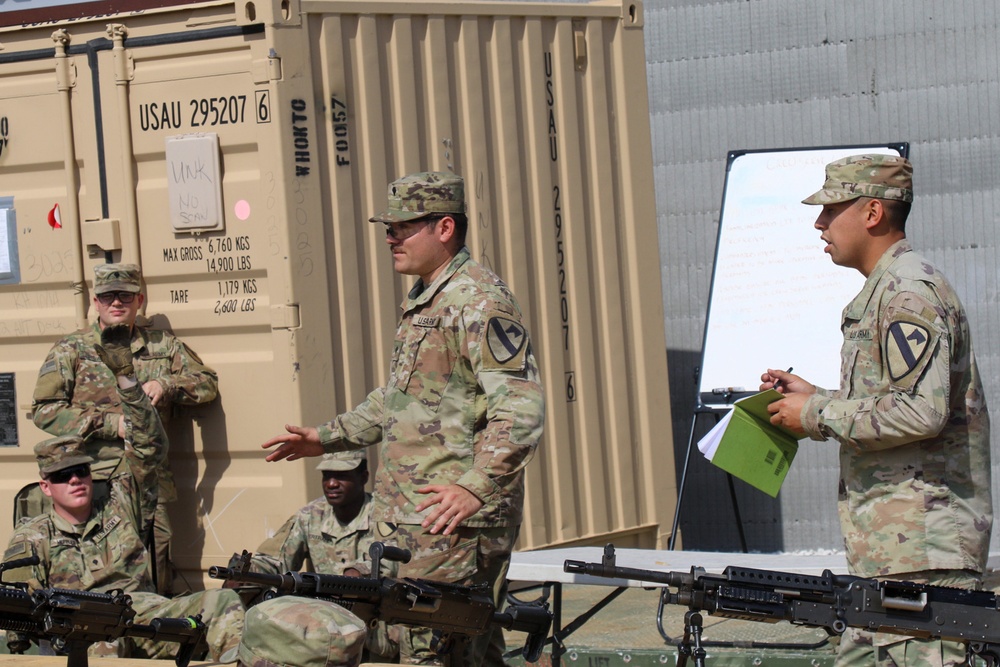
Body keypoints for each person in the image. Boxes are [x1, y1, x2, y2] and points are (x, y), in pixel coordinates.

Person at [260, 171, 546, 665]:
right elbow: (399, 401)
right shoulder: (425, 300)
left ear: (445, 228)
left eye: (403, 226)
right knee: (465, 652)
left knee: (432, 651)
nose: (390, 236)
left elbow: (521, 408)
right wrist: (326, 438)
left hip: (455, 522)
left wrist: (475, 486)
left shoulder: (479, 302)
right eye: (388, 227)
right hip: (415, 520)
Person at [760, 154, 992, 666]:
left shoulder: (909, 292)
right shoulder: (886, 290)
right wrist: (815, 395)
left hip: (924, 559)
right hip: (891, 557)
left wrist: (817, 414)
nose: (819, 223)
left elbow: (922, 412)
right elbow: (900, 400)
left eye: (831, 209)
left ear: (871, 213)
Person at [4, 324, 243, 662]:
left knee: (223, 603)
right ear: (46, 486)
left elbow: (149, 447)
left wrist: (128, 381)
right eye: (63, 476)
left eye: (81, 471)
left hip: (143, 619)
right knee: (103, 644)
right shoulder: (33, 538)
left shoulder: (120, 509)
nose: (75, 480)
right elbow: (17, 618)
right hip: (83, 635)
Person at [31, 262, 219, 595]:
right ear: (95, 302)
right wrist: (108, 424)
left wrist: (167, 384)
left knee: (156, 562)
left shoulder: (163, 345)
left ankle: (157, 640)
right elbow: (45, 411)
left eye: (125, 296)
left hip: (151, 478)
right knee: (109, 571)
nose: (117, 303)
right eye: (108, 297)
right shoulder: (71, 349)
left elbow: (207, 383)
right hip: (98, 484)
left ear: (139, 300)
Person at [238, 449, 398, 661]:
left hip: (376, 633)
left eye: (341, 476)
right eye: (326, 476)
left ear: (364, 477)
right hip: (326, 636)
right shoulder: (310, 516)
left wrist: (357, 574)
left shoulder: (385, 514)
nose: (331, 484)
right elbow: (275, 559)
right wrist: (248, 574)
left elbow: (392, 564)